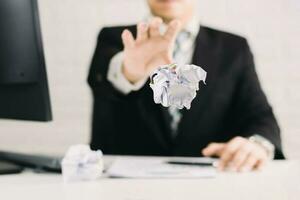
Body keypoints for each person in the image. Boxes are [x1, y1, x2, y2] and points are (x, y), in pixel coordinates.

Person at [88, 0, 284, 172]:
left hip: (214, 183)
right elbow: (106, 83)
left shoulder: (234, 48)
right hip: (125, 186)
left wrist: (256, 145)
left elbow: (260, 116)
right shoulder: (114, 38)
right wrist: (129, 72)